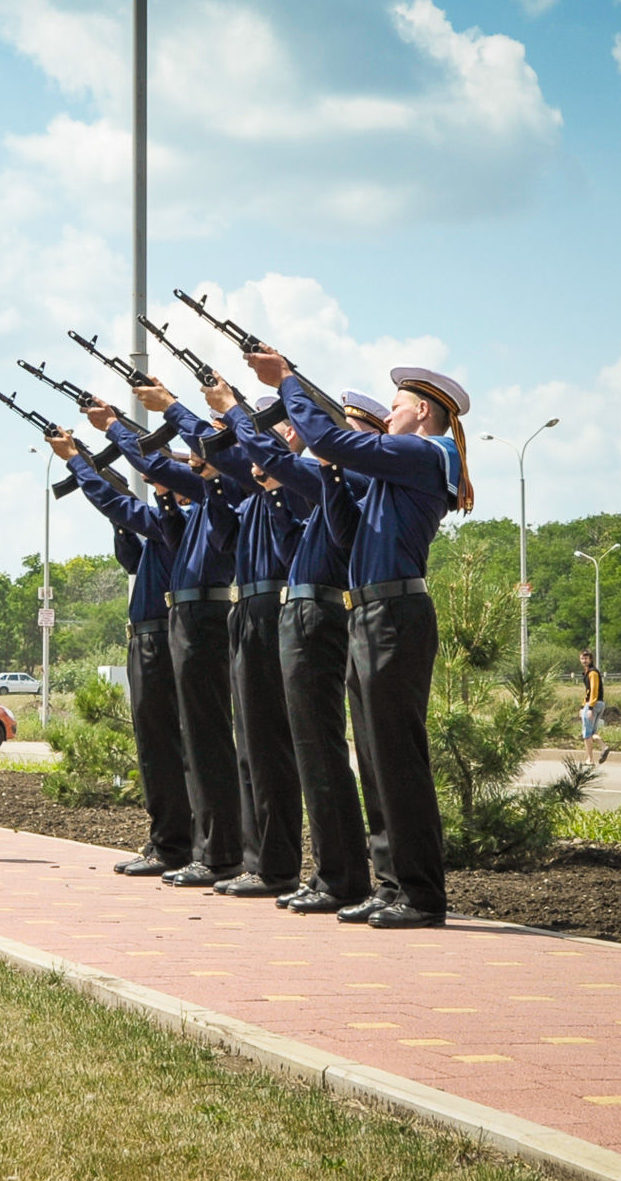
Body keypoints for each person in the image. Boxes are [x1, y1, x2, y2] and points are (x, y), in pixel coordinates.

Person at [249, 352, 472, 930]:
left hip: (397, 613)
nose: (390, 409)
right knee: (373, 759)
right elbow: (347, 530)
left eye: (396, 403)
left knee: (396, 759)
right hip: (371, 613)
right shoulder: (397, 470)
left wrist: (290, 382)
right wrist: (326, 469)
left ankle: (421, 895)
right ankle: (391, 883)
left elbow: (329, 435)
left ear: (421, 411)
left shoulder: (423, 453)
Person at [221, 388, 385, 914]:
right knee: (311, 750)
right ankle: (330, 872)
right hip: (301, 612)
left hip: (320, 617)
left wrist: (231, 408)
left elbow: (272, 458)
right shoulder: (329, 485)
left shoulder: (357, 476)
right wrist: (272, 493)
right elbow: (291, 546)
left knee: (320, 749)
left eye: (350, 433)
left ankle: (343, 876)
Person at [98, 388, 244, 888]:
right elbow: (134, 551)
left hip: (199, 622)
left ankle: (213, 847)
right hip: (174, 625)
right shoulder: (188, 514)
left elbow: (138, 500)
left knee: (204, 742)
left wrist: (108, 435)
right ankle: (179, 843)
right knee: (168, 743)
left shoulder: (208, 504)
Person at [45, 429, 195, 877]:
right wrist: (118, 516)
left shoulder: (184, 522)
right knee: (154, 747)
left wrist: (84, 469)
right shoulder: (162, 525)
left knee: (166, 746)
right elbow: (131, 559)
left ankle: (174, 842)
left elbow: (132, 514)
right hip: (145, 636)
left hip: (164, 637)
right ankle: (165, 837)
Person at [198, 386, 307, 899]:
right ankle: (255, 859)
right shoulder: (256, 494)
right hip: (246, 611)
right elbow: (224, 537)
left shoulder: (299, 484)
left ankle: (278, 864)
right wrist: (216, 483)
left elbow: (289, 543)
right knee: (250, 749)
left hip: (272, 608)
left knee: (270, 747)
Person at [579, 650, 610, 764]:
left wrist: (589, 708)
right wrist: (582, 706)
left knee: (586, 734)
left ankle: (590, 758)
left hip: (594, 704)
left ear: (591, 659)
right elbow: (588, 691)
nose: (584, 660)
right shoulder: (588, 672)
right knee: (592, 732)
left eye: (586, 658)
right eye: (582, 658)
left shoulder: (592, 673)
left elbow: (593, 690)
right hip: (599, 703)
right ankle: (603, 748)